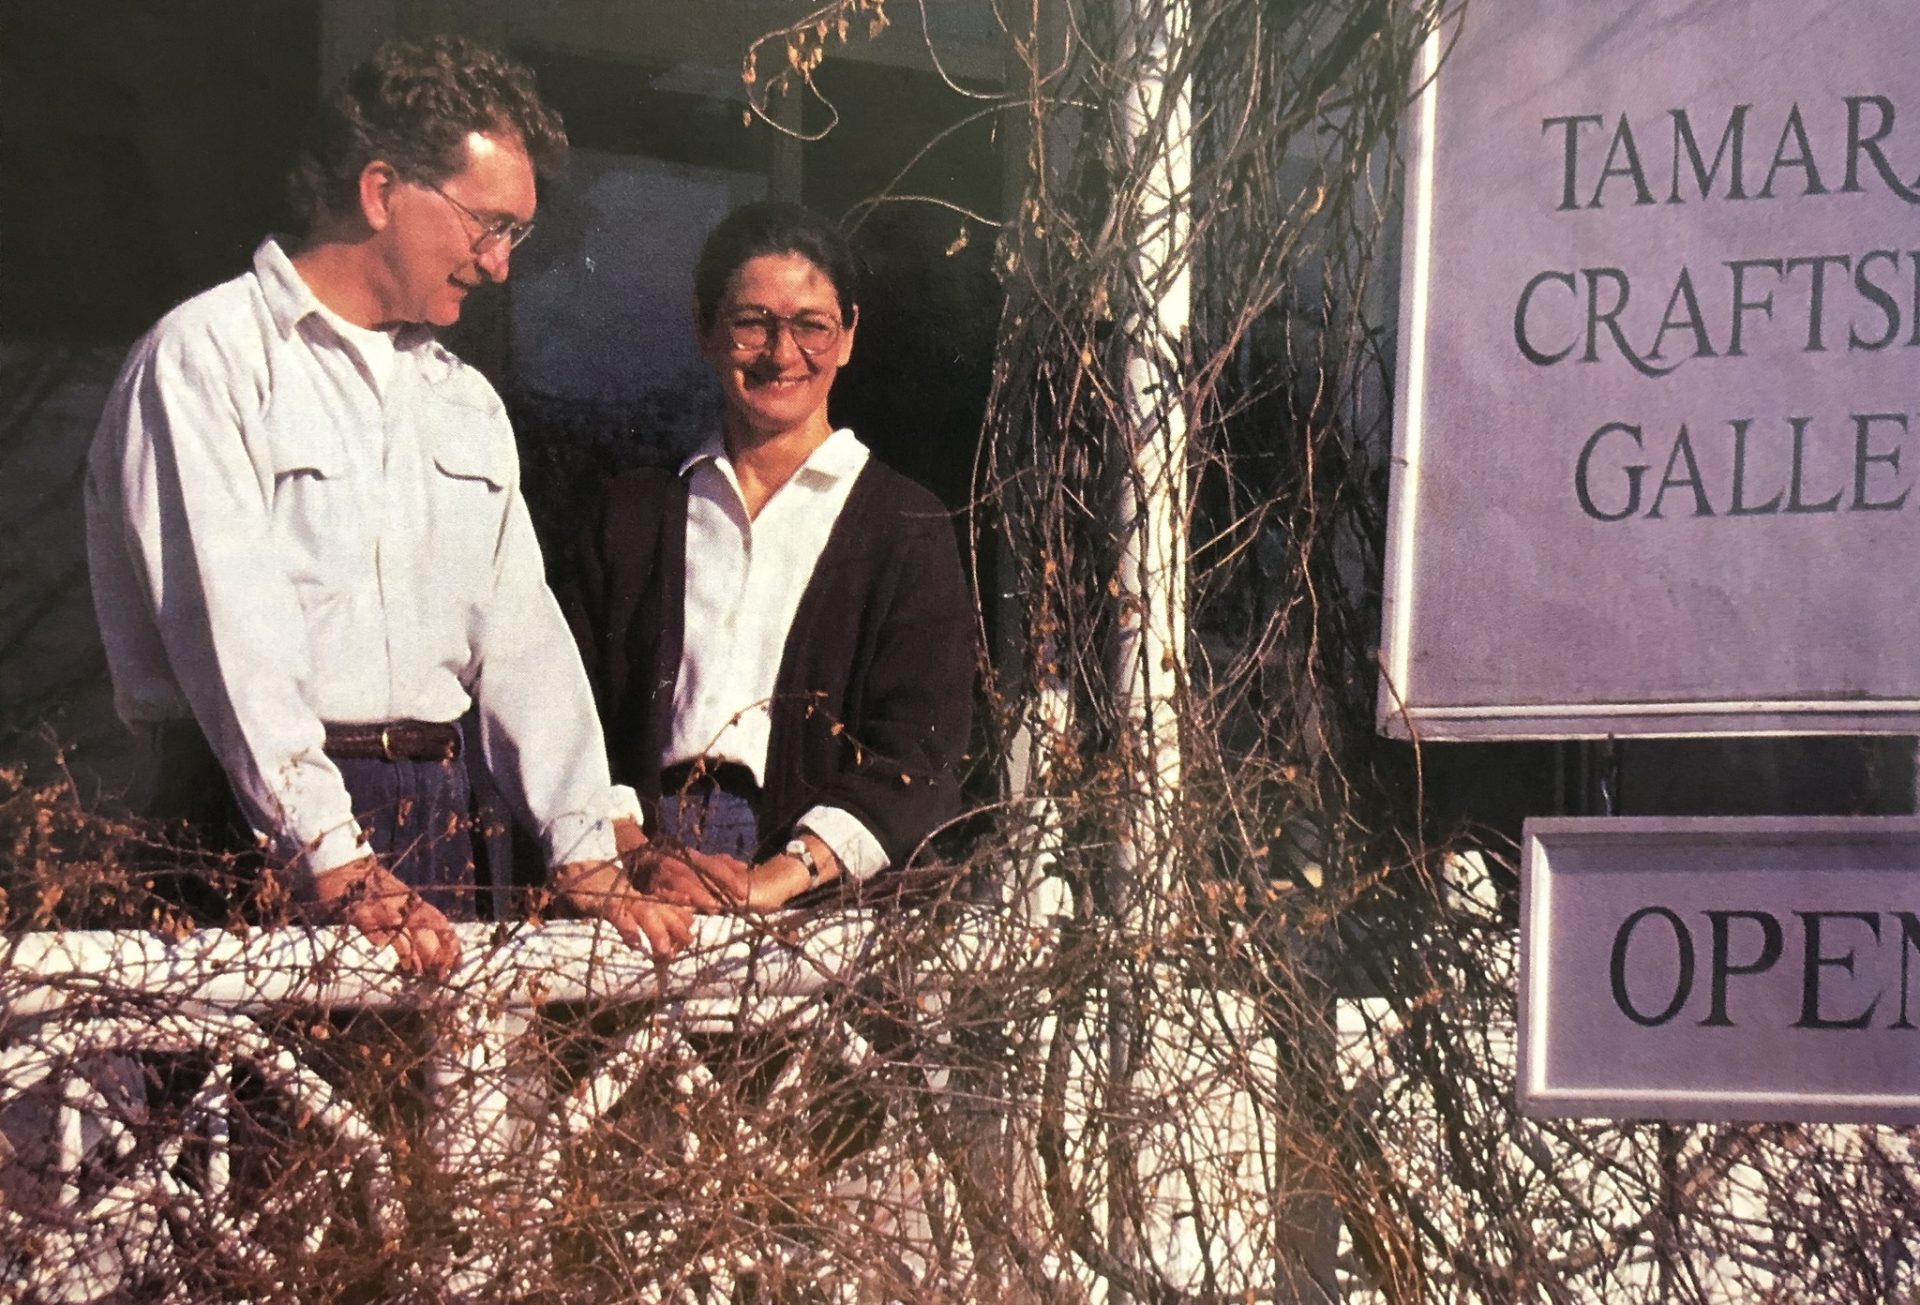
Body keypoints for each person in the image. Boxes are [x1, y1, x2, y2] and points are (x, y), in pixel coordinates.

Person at [85, 35, 692, 973]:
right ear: (380, 192)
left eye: (515, 236)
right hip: (253, 831)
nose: (500, 265)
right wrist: (332, 859)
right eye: (487, 224)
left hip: (441, 827)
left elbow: (522, 641)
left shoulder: (463, 399)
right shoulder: (207, 361)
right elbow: (231, 642)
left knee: (439, 1117)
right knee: (249, 1123)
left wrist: (583, 847)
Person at [564, 202, 975, 910]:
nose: (782, 355)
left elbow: (917, 758)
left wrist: (772, 880)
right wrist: (632, 851)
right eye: (753, 322)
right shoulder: (631, 514)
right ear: (705, 329)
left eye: (811, 326)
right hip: (633, 863)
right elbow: (563, 708)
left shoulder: (907, 527)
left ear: (847, 335)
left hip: (811, 877)